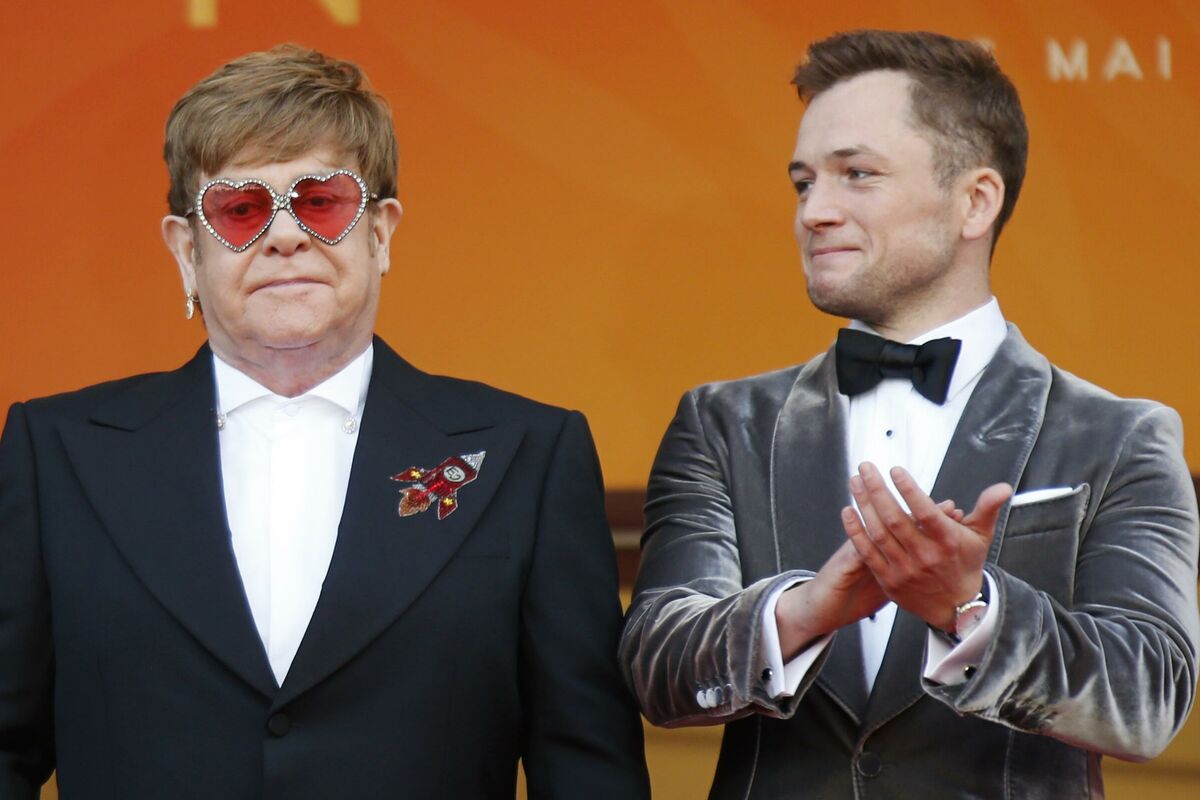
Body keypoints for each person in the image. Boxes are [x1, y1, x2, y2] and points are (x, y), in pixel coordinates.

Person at [0, 45, 649, 799]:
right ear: (186, 251)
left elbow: (587, 767)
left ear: (381, 233)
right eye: (240, 209)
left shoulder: (529, 455)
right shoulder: (56, 455)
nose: (285, 236)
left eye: (321, 202)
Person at [620, 29, 1199, 799]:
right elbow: (655, 670)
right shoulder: (724, 423)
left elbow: (1148, 700)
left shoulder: (1120, 436)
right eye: (803, 183)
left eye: (857, 174)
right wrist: (801, 613)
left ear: (975, 201)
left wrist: (972, 609)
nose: (815, 211)